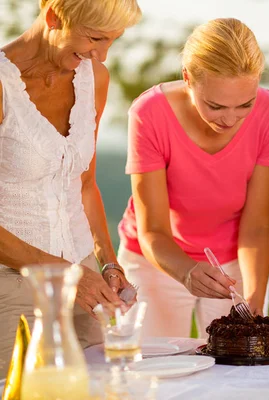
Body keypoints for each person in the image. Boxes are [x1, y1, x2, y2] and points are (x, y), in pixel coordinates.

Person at [117, 18, 269, 339]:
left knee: (238, 370)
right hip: (156, 261)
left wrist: (253, 295)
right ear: (188, 79)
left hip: (235, 263)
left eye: (245, 104)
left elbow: (257, 226)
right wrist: (185, 273)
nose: (230, 119)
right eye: (215, 105)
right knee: (155, 373)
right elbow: (153, 229)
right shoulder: (149, 113)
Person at [0, 0, 141, 375]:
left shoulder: (94, 76)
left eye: (112, 41)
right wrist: (64, 274)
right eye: (95, 38)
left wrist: (107, 263)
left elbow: (85, 184)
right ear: (52, 17)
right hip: (11, 287)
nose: (102, 53)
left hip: (84, 288)